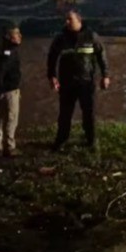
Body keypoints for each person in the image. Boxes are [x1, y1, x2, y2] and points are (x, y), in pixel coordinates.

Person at [47, 10, 110, 151]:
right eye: (66, 19)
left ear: (79, 20)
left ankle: (91, 140)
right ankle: (61, 141)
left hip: (87, 82)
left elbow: (102, 56)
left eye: (70, 19)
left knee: (89, 113)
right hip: (67, 83)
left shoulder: (91, 37)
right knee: (65, 113)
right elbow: (52, 58)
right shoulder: (61, 38)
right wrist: (52, 76)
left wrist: (105, 75)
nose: (67, 22)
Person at [0, 24, 23, 157]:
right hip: (8, 90)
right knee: (11, 118)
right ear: (9, 36)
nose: (20, 36)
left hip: (3, 89)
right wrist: (2, 90)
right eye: (17, 34)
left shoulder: (1, 49)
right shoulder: (7, 52)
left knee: (3, 117)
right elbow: (0, 71)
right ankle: (9, 147)